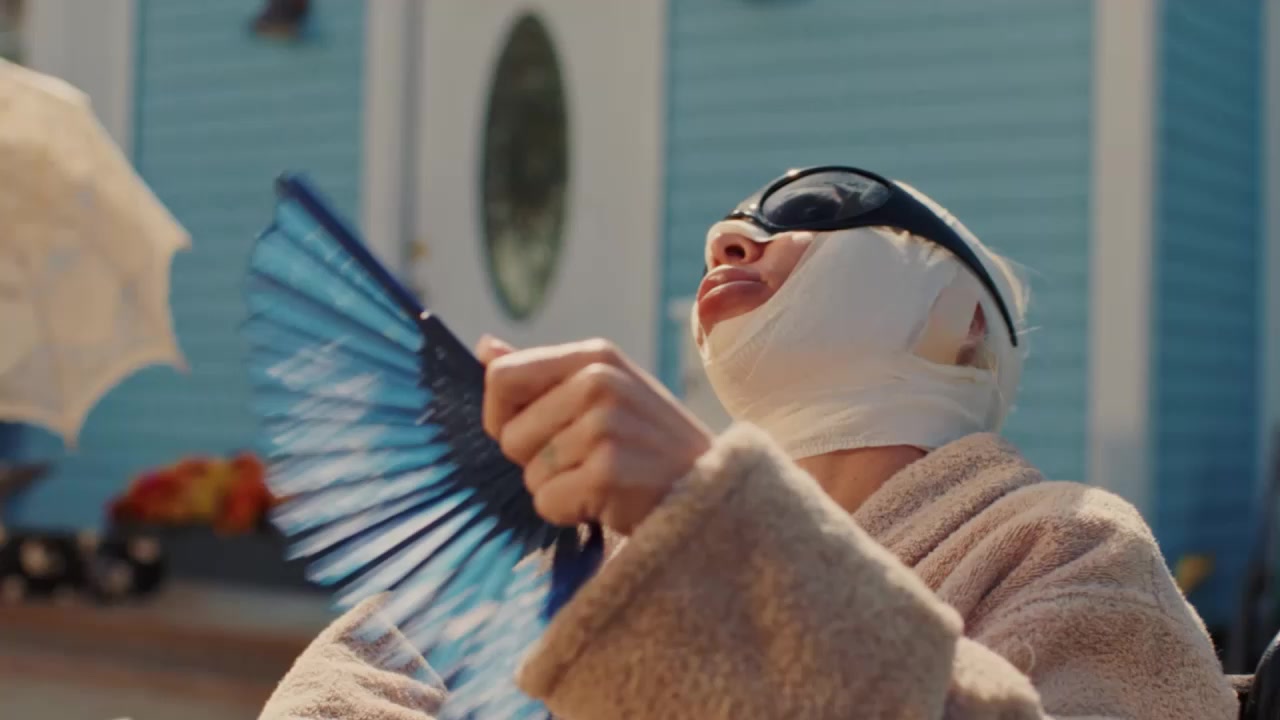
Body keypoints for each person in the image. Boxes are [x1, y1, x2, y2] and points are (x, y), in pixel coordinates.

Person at [259, 166, 1238, 719]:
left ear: (966, 319)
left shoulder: (1066, 546)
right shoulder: (578, 550)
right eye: (725, 230)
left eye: (810, 209)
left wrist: (709, 534)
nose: (726, 242)